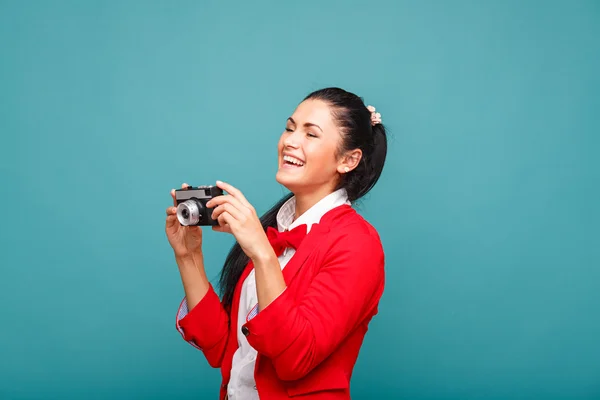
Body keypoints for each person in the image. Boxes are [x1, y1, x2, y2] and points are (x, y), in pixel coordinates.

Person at [165, 87, 387, 399]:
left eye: (311, 134)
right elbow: (221, 348)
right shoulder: (274, 229)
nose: (290, 142)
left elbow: (297, 358)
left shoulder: (357, 244)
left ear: (348, 160)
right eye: (289, 128)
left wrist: (261, 253)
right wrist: (188, 256)